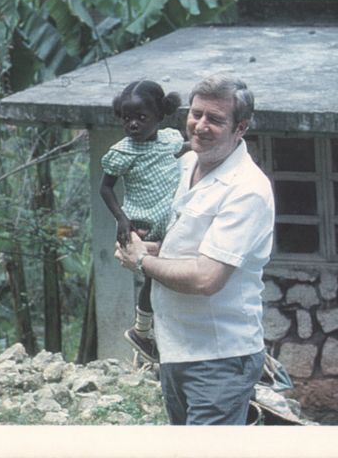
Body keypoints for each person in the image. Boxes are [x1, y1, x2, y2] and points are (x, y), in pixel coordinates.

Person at [115, 73, 275, 425]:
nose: (200, 125)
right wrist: (152, 248)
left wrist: (141, 260)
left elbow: (207, 278)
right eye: (196, 113)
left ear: (240, 128)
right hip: (176, 349)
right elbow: (183, 243)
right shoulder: (184, 163)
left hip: (219, 357)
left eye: (215, 119)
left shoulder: (247, 189)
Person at [99, 80, 189, 363]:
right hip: (144, 225)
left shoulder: (171, 140)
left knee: (171, 278)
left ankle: (155, 336)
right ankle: (141, 331)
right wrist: (122, 219)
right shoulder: (122, 152)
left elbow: (188, 148)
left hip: (170, 222)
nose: (133, 124)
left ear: (160, 115)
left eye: (141, 117)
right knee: (155, 277)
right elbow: (105, 188)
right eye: (127, 118)